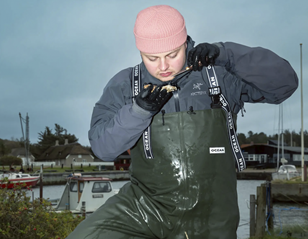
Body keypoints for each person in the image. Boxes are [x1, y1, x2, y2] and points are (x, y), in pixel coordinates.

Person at [67, 5, 298, 239]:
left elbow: (285, 85)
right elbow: (102, 148)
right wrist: (138, 112)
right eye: (152, 58)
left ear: (186, 43)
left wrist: (227, 55)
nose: (163, 66)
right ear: (140, 52)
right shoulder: (124, 85)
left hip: (213, 218)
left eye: (172, 54)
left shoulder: (219, 75)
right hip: (145, 209)